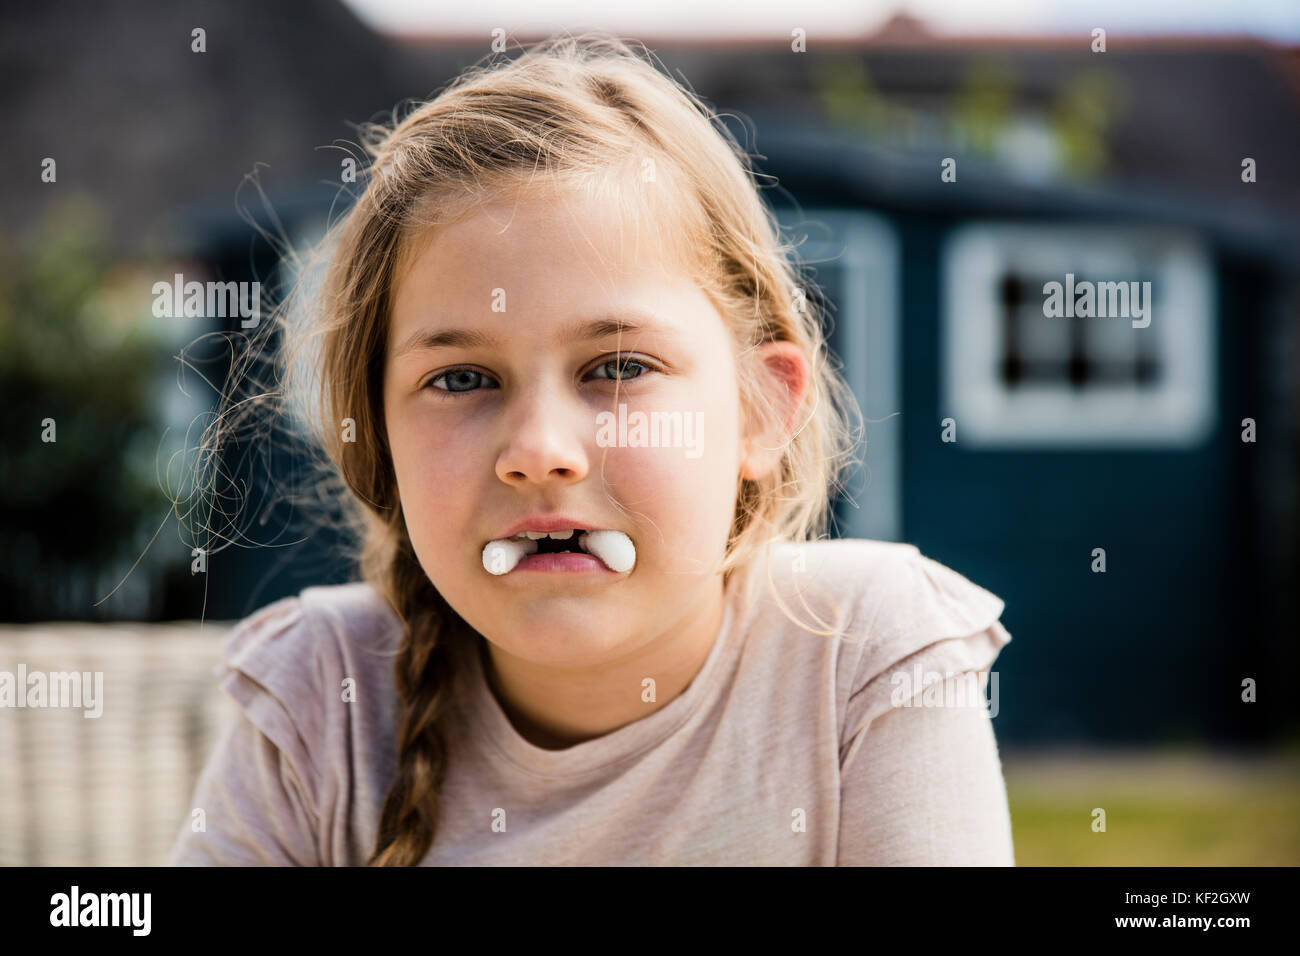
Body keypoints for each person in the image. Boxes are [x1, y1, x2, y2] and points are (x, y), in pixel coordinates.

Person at [167, 32, 1014, 867]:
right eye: (462, 380)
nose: (539, 452)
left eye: (617, 367)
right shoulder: (320, 697)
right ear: (378, 436)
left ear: (760, 409)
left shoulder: (863, 651)